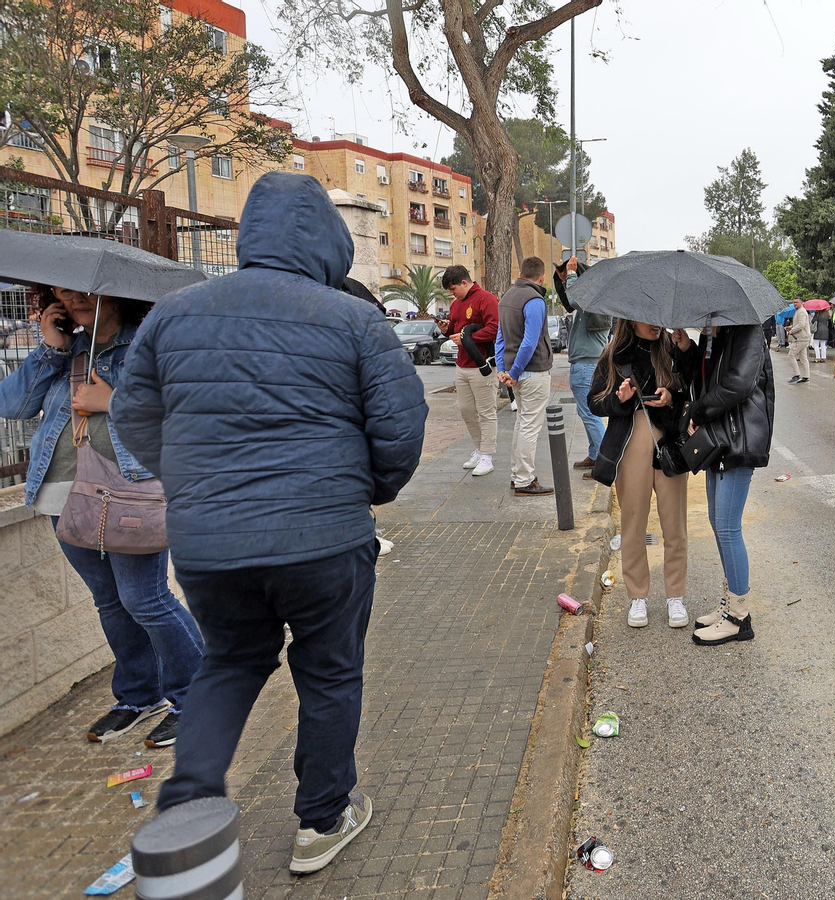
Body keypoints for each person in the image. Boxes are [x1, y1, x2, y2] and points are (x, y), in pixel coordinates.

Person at [115, 171, 426, 874]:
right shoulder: (353, 319)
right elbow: (401, 428)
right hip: (323, 540)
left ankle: (188, 807)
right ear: (329, 240)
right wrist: (365, 489)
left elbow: (132, 414)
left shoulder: (174, 314)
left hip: (209, 543)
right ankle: (323, 819)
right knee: (330, 671)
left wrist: (197, 485)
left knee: (229, 661)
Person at [0, 286, 201, 749]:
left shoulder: (147, 344)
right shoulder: (64, 349)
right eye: (64, 292)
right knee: (109, 601)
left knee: (145, 599)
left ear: (117, 293)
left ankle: (196, 697)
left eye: (86, 291)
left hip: (129, 494)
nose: (74, 298)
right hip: (61, 496)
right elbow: (12, 405)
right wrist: (51, 348)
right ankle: (138, 695)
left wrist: (113, 401)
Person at [587, 320, 693, 630]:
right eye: (647, 318)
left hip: (670, 446)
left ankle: (676, 595)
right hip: (630, 443)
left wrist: (672, 398)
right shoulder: (614, 355)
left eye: (659, 318)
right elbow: (594, 402)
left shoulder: (673, 351)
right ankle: (638, 596)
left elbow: (692, 392)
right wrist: (618, 400)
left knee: (675, 524)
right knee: (633, 523)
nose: (656, 325)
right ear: (631, 319)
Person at [684, 322, 775, 645]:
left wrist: (699, 409)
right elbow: (706, 380)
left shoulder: (748, 331)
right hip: (719, 440)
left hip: (738, 440)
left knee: (727, 526)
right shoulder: (717, 335)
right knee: (717, 522)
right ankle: (729, 604)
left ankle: (739, 616)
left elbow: (738, 384)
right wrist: (689, 349)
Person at [495, 257, 555, 496]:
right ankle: (524, 480)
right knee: (529, 427)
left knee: (522, 424)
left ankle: (517, 476)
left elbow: (500, 339)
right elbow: (530, 342)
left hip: (515, 372)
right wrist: (515, 372)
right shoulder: (535, 300)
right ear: (541, 277)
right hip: (533, 373)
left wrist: (504, 370)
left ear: (520, 273)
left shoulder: (506, 298)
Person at [553, 258, 613, 475]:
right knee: (588, 413)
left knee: (589, 415)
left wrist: (571, 275)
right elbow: (571, 301)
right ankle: (596, 455)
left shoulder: (592, 301)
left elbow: (576, 299)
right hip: (589, 365)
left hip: (586, 366)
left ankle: (607, 462)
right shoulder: (601, 302)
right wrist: (564, 279)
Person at [442, 264, 500, 475]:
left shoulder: (486, 299)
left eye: (453, 288)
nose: (452, 294)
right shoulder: (456, 304)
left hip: (481, 364)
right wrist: (446, 329)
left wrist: (467, 339)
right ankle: (478, 449)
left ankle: (487, 456)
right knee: (467, 410)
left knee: (486, 412)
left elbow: (494, 329)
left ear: (464, 283)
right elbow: (455, 329)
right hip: (462, 365)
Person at [785, 298, 811, 384]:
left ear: (801, 303)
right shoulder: (799, 311)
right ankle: (806, 376)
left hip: (801, 338)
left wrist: (791, 331)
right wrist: (790, 327)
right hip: (803, 338)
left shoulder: (801, 312)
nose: (795, 304)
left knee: (791, 355)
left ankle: (796, 375)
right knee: (803, 358)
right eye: (794, 302)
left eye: (796, 302)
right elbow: (798, 324)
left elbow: (801, 325)